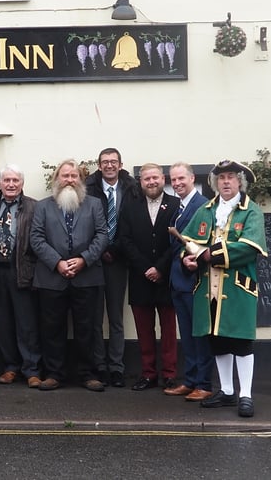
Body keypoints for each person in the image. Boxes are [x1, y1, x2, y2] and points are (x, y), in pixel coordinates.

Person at [182, 160, 267, 418]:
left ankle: (245, 395)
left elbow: (250, 248)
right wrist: (187, 260)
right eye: (221, 178)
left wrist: (211, 255)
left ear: (240, 181)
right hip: (208, 287)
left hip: (238, 288)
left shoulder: (251, 211)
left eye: (231, 177)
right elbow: (188, 241)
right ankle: (228, 390)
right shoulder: (206, 210)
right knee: (217, 341)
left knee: (240, 341)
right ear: (215, 183)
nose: (226, 182)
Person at [30, 159, 107, 392]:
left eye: (74, 176)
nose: (70, 180)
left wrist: (84, 259)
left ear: (80, 179)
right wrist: (58, 263)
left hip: (87, 276)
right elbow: (36, 238)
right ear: (57, 180)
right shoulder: (42, 206)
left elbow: (102, 235)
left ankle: (88, 374)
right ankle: (54, 374)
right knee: (52, 328)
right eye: (65, 176)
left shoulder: (94, 204)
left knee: (87, 328)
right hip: (52, 278)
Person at [119, 163, 180, 391]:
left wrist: (160, 268)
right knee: (144, 331)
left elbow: (178, 240)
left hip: (166, 278)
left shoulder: (175, 205)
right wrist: (146, 267)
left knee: (169, 331)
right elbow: (125, 240)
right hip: (140, 277)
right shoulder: (130, 207)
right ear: (140, 182)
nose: (151, 182)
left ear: (163, 179)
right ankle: (148, 374)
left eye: (155, 178)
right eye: (146, 179)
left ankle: (170, 374)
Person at [0, 164, 41, 389]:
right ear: (0, 184)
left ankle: (32, 369)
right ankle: (10, 367)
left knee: (27, 324)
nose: (11, 184)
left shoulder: (34, 207)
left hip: (23, 270)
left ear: (22, 183)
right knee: (3, 323)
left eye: (15, 180)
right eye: (7, 180)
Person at [85, 148, 140, 388]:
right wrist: (99, 250)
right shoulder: (88, 188)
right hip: (94, 261)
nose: (109, 166)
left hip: (119, 259)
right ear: (99, 166)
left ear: (120, 164)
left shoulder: (130, 187)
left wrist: (115, 249)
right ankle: (100, 366)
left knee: (116, 317)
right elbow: (84, 224)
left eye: (113, 162)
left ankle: (116, 367)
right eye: (105, 162)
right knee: (95, 317)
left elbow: (132, 223)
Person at [164, 162, 213, 401]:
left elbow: (205, 244)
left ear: (193, 178)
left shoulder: (202, 206)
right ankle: (191, 380)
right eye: (173, 180)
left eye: (181, 178)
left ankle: (204, 383)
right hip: (178, 282)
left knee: (199, 335)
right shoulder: (180, 206)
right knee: (187, 334)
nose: (177, 183)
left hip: (195, 281)